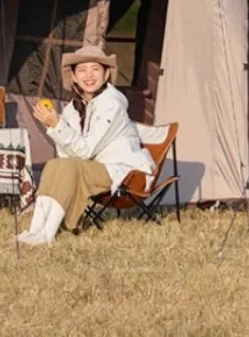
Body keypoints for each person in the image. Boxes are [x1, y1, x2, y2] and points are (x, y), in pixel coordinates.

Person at [17, 44, 155, 245]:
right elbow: (66, 154)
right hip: (92, 168)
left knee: (73, 165)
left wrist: (56, 126)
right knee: (55, 164)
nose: (89, 76)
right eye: (82, 70)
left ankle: (48, 234)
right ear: (73, 76)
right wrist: (57, 125)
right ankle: (35, 229)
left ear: (106, 74)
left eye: (95, 69)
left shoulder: (112, 104)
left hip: (124, 171)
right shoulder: (72, 109)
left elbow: (85, 151)